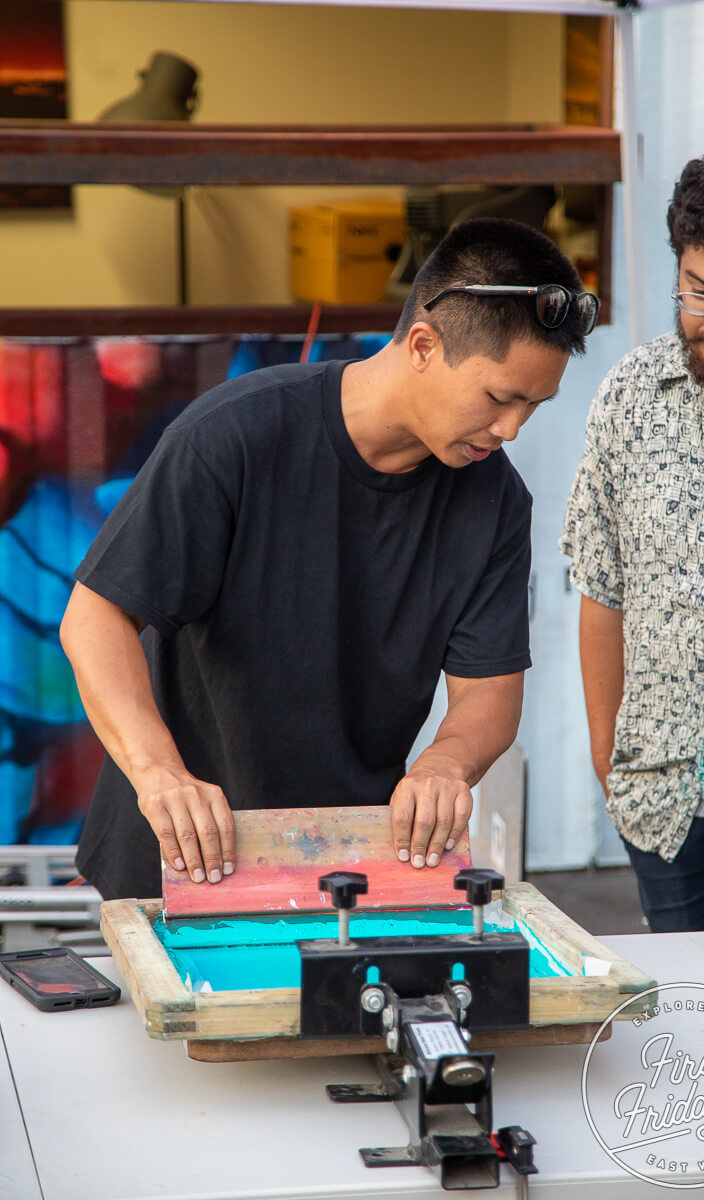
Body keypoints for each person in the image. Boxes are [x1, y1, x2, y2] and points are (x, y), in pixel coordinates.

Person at [60, 216, 597, 900]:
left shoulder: (495, 500)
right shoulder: (234, 437)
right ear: (424, 345)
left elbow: (488, 690)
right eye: (499, 398)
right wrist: (159, 774)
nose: (511, 429)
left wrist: (446, 763)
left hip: (351, 863)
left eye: (534, 406)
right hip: (177, 859)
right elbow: (95, 620)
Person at [560, 141, 704, 933]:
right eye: (698, 291)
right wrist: (611, 763)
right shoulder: (633, 395)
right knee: (699, 1008)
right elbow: (603, 591)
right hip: (668, 812)